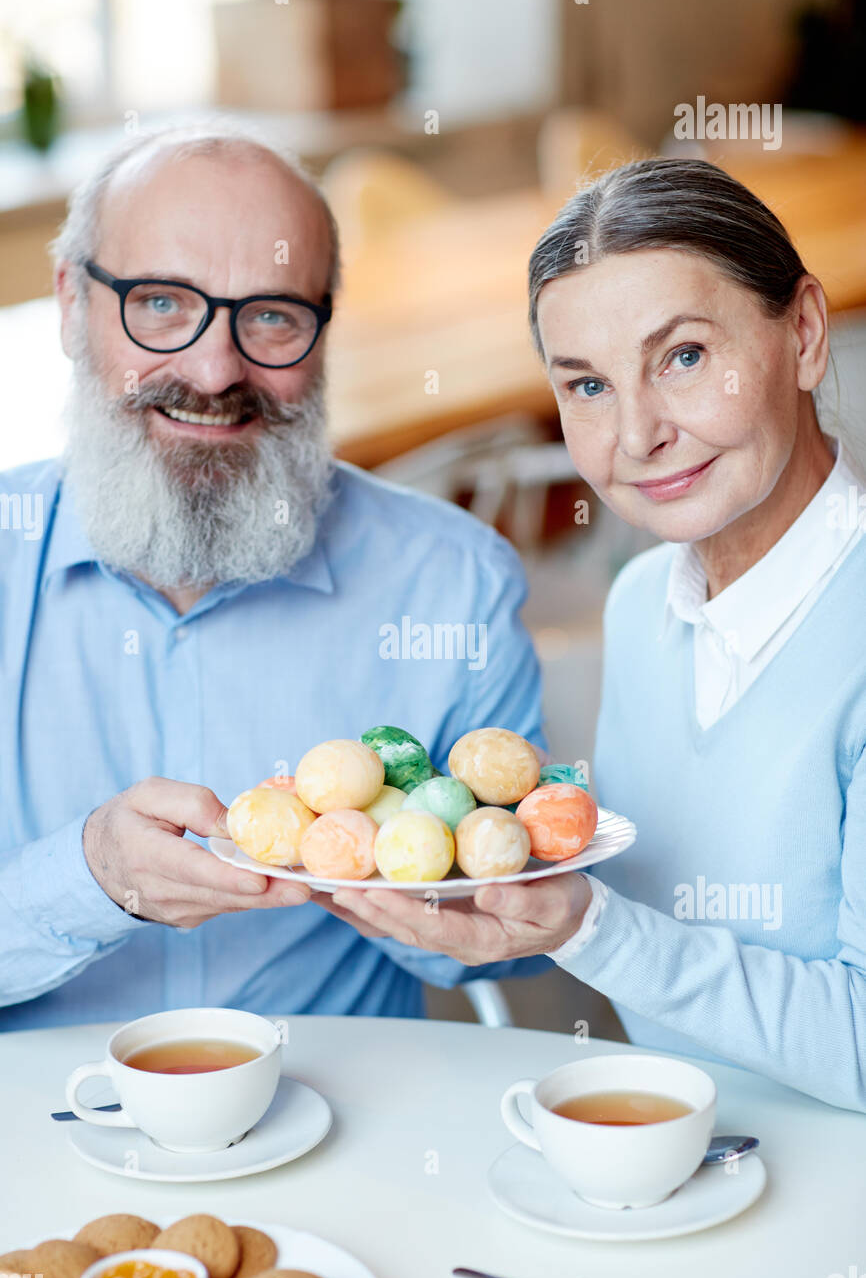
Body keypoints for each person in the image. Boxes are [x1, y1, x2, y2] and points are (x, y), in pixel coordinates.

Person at [325, 158, 866, 1114]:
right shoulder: (643, 601)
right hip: (665, 1160)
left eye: (685, 356)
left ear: (806, 334)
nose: (636, 434)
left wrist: (588, 927)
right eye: (586, 385)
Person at [0, 122, 552, 1029]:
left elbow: (499, 949)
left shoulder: (455, 585)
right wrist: (89, 875)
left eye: (271, 316)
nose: (216, 370)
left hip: (344, 1131)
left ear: (324, 333)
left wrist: (457, 900)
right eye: (163, 304)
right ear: (70, 304)